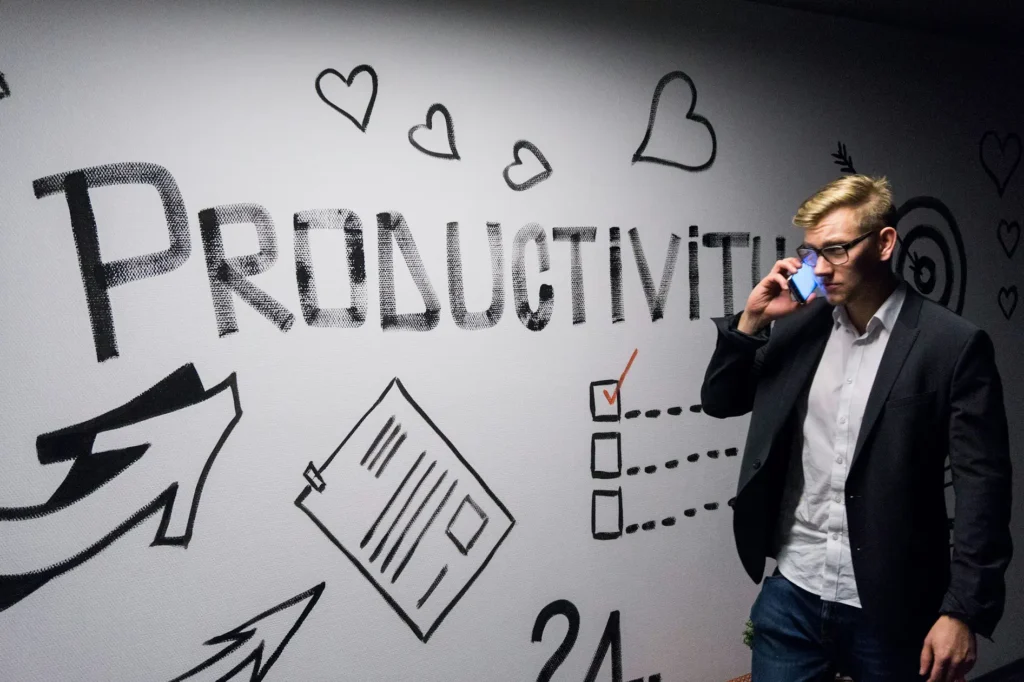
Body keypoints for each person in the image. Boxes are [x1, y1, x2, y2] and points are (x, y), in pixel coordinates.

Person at [700, 175, 1013, 682]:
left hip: (893, 604)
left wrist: (962, 610)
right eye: (812, 251)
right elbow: (720, 400)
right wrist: (753, 321)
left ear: (885, 243)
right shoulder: (801, 325)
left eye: (838, 250)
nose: (820, 268)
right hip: (793, 593)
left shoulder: (951, 344)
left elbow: (985, 489)